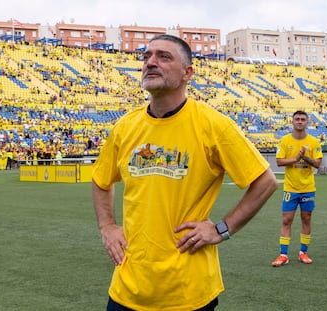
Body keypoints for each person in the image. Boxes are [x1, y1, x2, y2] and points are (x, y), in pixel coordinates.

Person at [91, 34, 278, 311]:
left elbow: (265, 181)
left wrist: (221, 229)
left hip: (188, 292)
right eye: (147, 56)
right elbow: (100, 180)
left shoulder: (212, 124)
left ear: (187, 73)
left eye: (164, 57)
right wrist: (107, 226)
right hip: (127, 289)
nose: (151, 62)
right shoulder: (124, 127)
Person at [271, 111, 323, 267]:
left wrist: (305, 157)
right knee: (287, 220)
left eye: (303, 119)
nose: (300, 121)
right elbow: (279, 162)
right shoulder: (285, 141)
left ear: (307, 122)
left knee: (306, 218)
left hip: (308, 188)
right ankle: (283, 255)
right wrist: (296, 158)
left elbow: (318, 164)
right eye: (297, 119)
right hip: (290, 188)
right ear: (292, 122)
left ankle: (303, 253)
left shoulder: (313, 142)